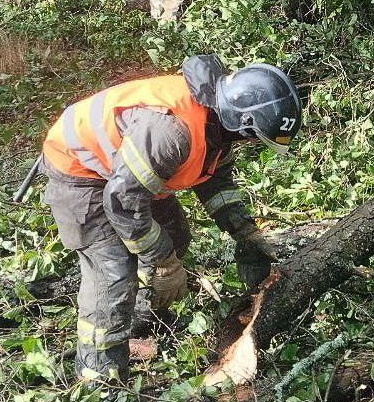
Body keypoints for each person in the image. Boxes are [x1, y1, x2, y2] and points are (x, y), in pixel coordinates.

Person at [37, 56, 303, 383]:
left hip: (128, 175)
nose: (250, 143)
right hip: (81, 172)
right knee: (113, 271)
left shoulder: (217, 127)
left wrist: (245, 234)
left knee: (175, 236)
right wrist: (162, 263)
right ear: (243, 122)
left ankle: (143, 322)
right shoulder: (173, 131)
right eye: (252, 137)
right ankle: (98, 379)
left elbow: (216, 183)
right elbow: (122, 200)